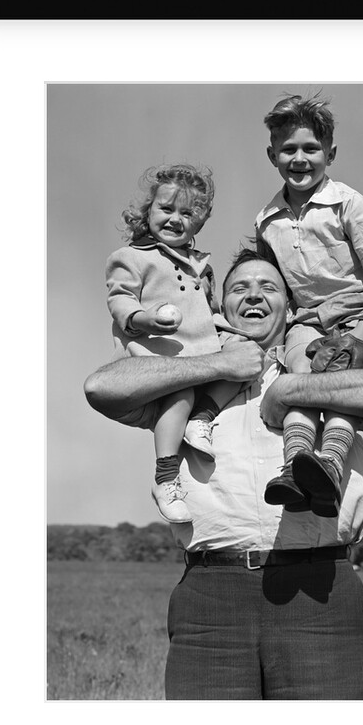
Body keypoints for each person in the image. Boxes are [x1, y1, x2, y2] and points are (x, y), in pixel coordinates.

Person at [84, 247, 363, 700]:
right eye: (239, 288)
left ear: (291, 305)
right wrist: (219, 365)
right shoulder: (187, 378)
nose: (253, 296)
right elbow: (101, 387)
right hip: (210, 599)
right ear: (220, 307)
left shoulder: (324, 366)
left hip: (320, 593)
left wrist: (290, 388)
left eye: (269, 286)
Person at [255, 93, 363, 517]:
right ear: (272, 155)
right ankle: (295, 469)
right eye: (288, 149)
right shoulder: (266, 218)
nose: (300, 158)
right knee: (301, 378)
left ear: (330, 153)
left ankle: (331, 465)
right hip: (305, 319)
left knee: (339, 390)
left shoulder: (346, 201)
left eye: (310, 148)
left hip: (355, 312)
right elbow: (277, 286)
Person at [105, 163, 245, 525]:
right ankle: (166, 477)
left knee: (244, 364)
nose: (175, 219)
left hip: (204, 350)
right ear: (149, 209)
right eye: (166, 209)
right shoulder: (133, 257)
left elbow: (209, 308)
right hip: (159, 352)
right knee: (178, 395)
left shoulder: (201, 263)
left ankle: (203, 417)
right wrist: (143, 319)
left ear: (202, 220)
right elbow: (120, 299)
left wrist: (232, 336)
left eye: (188, 213)